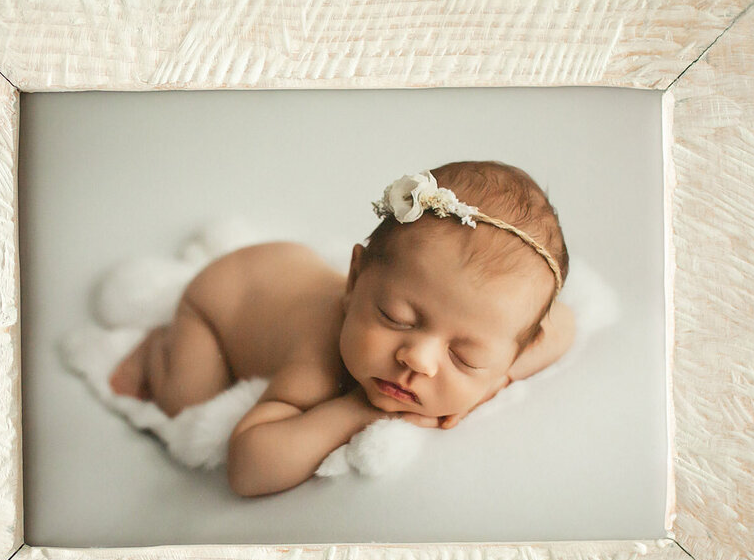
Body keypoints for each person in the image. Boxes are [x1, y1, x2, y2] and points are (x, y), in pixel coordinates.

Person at [109, 160, 576, 496]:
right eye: (396, 318)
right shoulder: (318, 363)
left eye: (465, 356)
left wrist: (496, 378)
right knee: (186, 408)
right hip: (222, 299)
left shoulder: (506, 341)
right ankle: (157, 348)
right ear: (354, 280)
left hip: (285, 270)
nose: (417, 358)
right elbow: (247, 468)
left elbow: (562, 327)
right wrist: (358, 410)